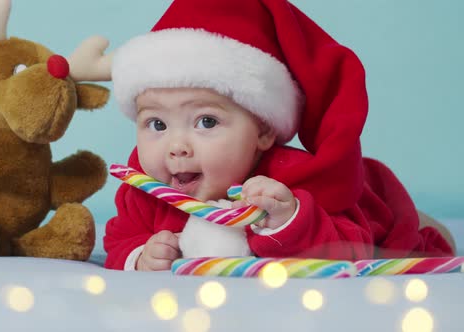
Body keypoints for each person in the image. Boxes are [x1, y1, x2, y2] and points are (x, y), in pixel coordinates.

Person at [103, 0, 456, 271]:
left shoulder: (290, 184)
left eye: (206, 122)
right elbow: (119, 239)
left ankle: (423, 218)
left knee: (425, 237)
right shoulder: (144, 192)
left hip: (374, 206)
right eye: (157, 125)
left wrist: (288, 223)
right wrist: (140, 257)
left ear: (264, 130)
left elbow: (351, 251)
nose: (176, 147)